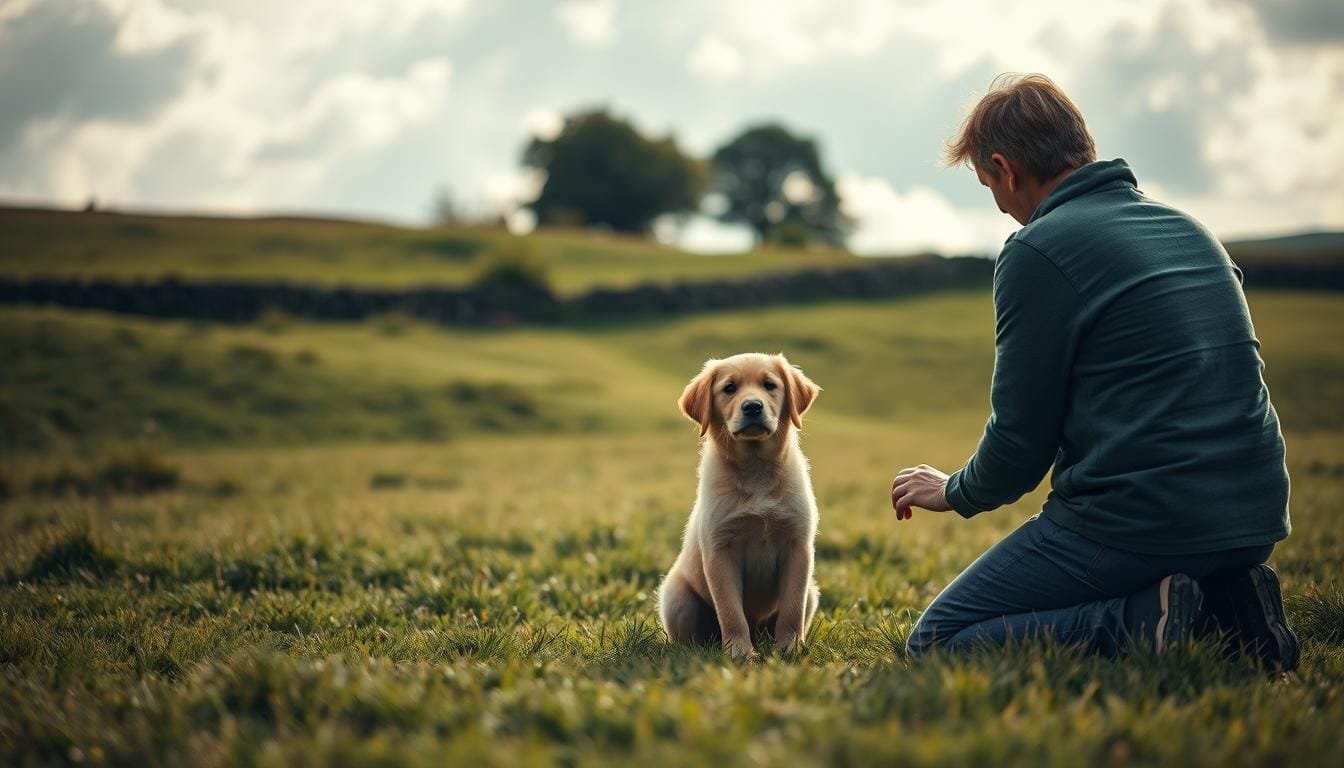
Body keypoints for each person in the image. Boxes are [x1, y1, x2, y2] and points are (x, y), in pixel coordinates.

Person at [891, 74, 1297, 669]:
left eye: (989, 188)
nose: (1004, 211)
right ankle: (1230, 606)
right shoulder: (1191, 230)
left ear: (1004, 168)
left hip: (1141, 525)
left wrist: (954, 491)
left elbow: (1020, 444)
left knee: (937, 640)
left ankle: (1143, 623)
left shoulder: (1039, 249)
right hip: (1252, 519)